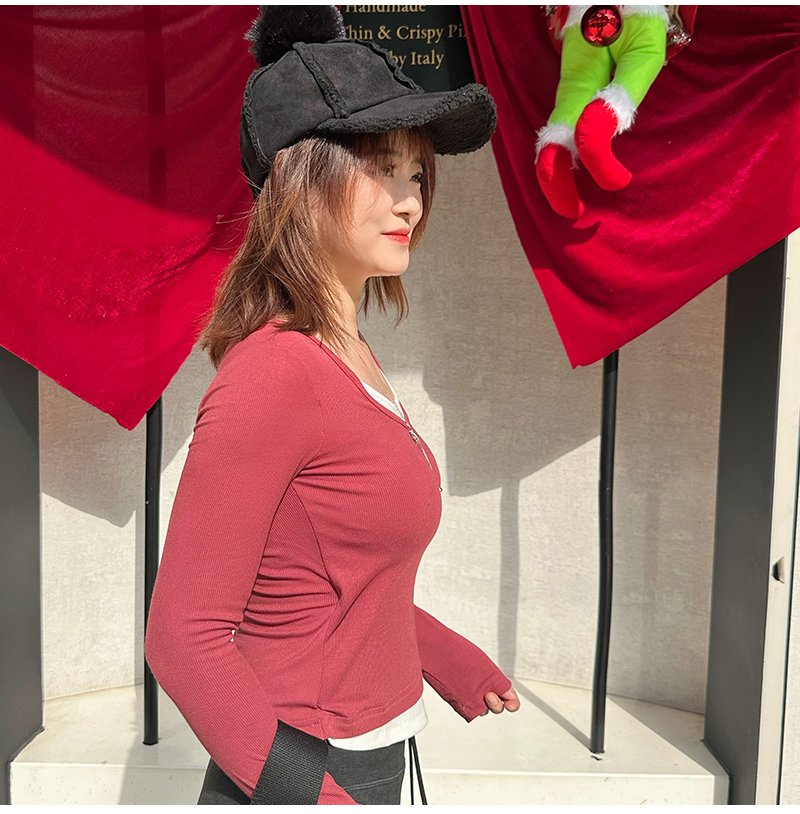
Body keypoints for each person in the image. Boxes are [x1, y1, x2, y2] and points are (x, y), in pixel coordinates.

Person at [144, 6, 520, 806]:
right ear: (302, 181)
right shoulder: (274, 375)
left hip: (370, 752)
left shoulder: (347, 354)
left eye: (417, 173)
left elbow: (339, 576)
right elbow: (182, 640)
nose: (411, 201)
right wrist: (308, 795)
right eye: (382, 168)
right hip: (306, 768)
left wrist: (442, 655)